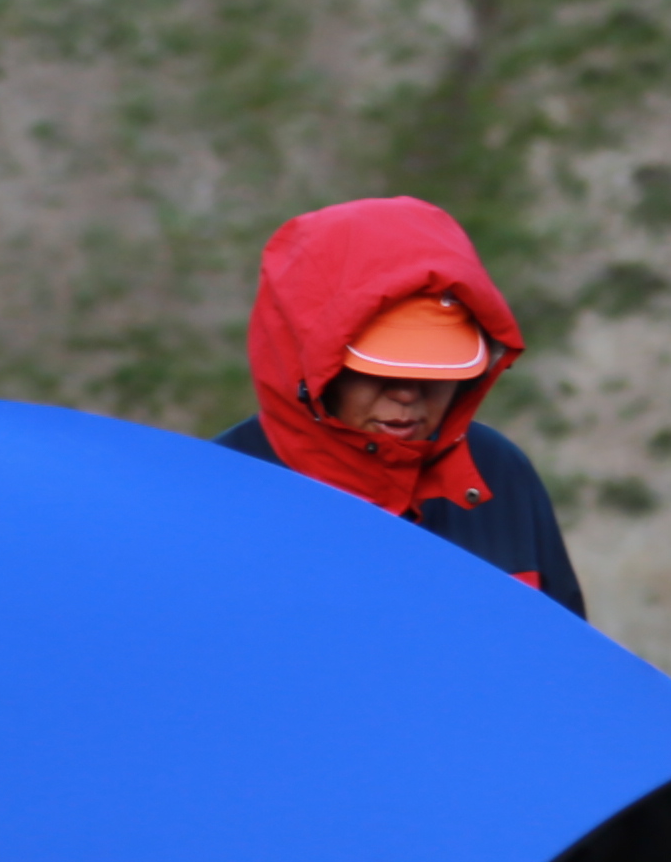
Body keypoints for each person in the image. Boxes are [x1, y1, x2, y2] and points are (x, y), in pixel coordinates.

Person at [219, 191, 591, 617]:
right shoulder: (215, 494)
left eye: (437, 365)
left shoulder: (499, 473)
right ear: (309, 368)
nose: (408, 393)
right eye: (378, 368)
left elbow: (565, 652)